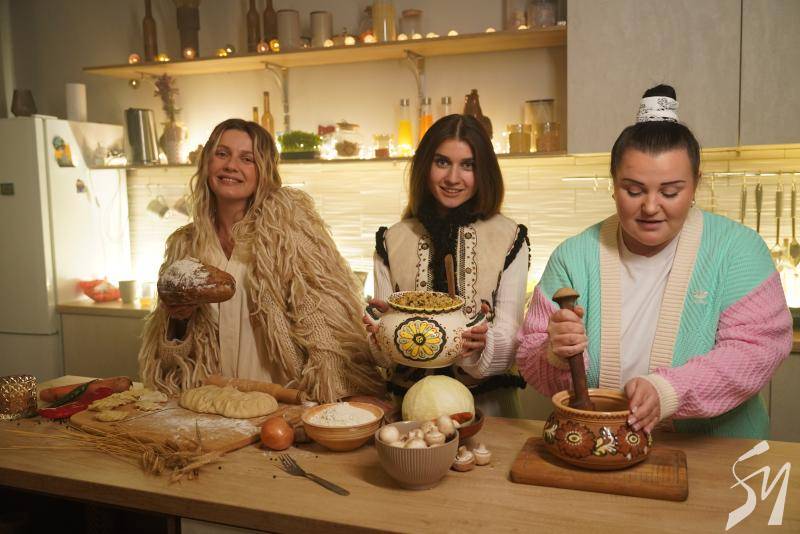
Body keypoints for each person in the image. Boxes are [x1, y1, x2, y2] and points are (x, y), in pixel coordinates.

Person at [516, 84, 792, 438]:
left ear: (695, 185)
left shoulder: (738, 251)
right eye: (633, 190)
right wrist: (554, 353)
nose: (650, 207)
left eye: (670, 192)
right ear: (613, 184)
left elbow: (756, 351)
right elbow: (530, 359)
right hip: (603, 448)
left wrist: (669, 391)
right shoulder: (573, 257)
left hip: (721, 453)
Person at [139, 118, 383, 402]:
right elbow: (170, 360)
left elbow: (322, 319)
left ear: (264, 170)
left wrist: (333, 395)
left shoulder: (288, 231)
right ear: (207, 163)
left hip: (286, 401)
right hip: (214, 403)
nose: (231, 165)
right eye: (222, 154)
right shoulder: (185, 246)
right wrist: (178, 320)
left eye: (247, 159)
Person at [367, 114, 530, 417]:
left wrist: (483, 344)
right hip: (410, 408)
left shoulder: (510, 237)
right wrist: (382, 332)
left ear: (484, 172)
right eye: (442, 162)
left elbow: (511, 337)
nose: (453, 178)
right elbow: (383, 357)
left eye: (468, 165)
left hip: (488, 410)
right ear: (424, 166)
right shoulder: (392, 240)